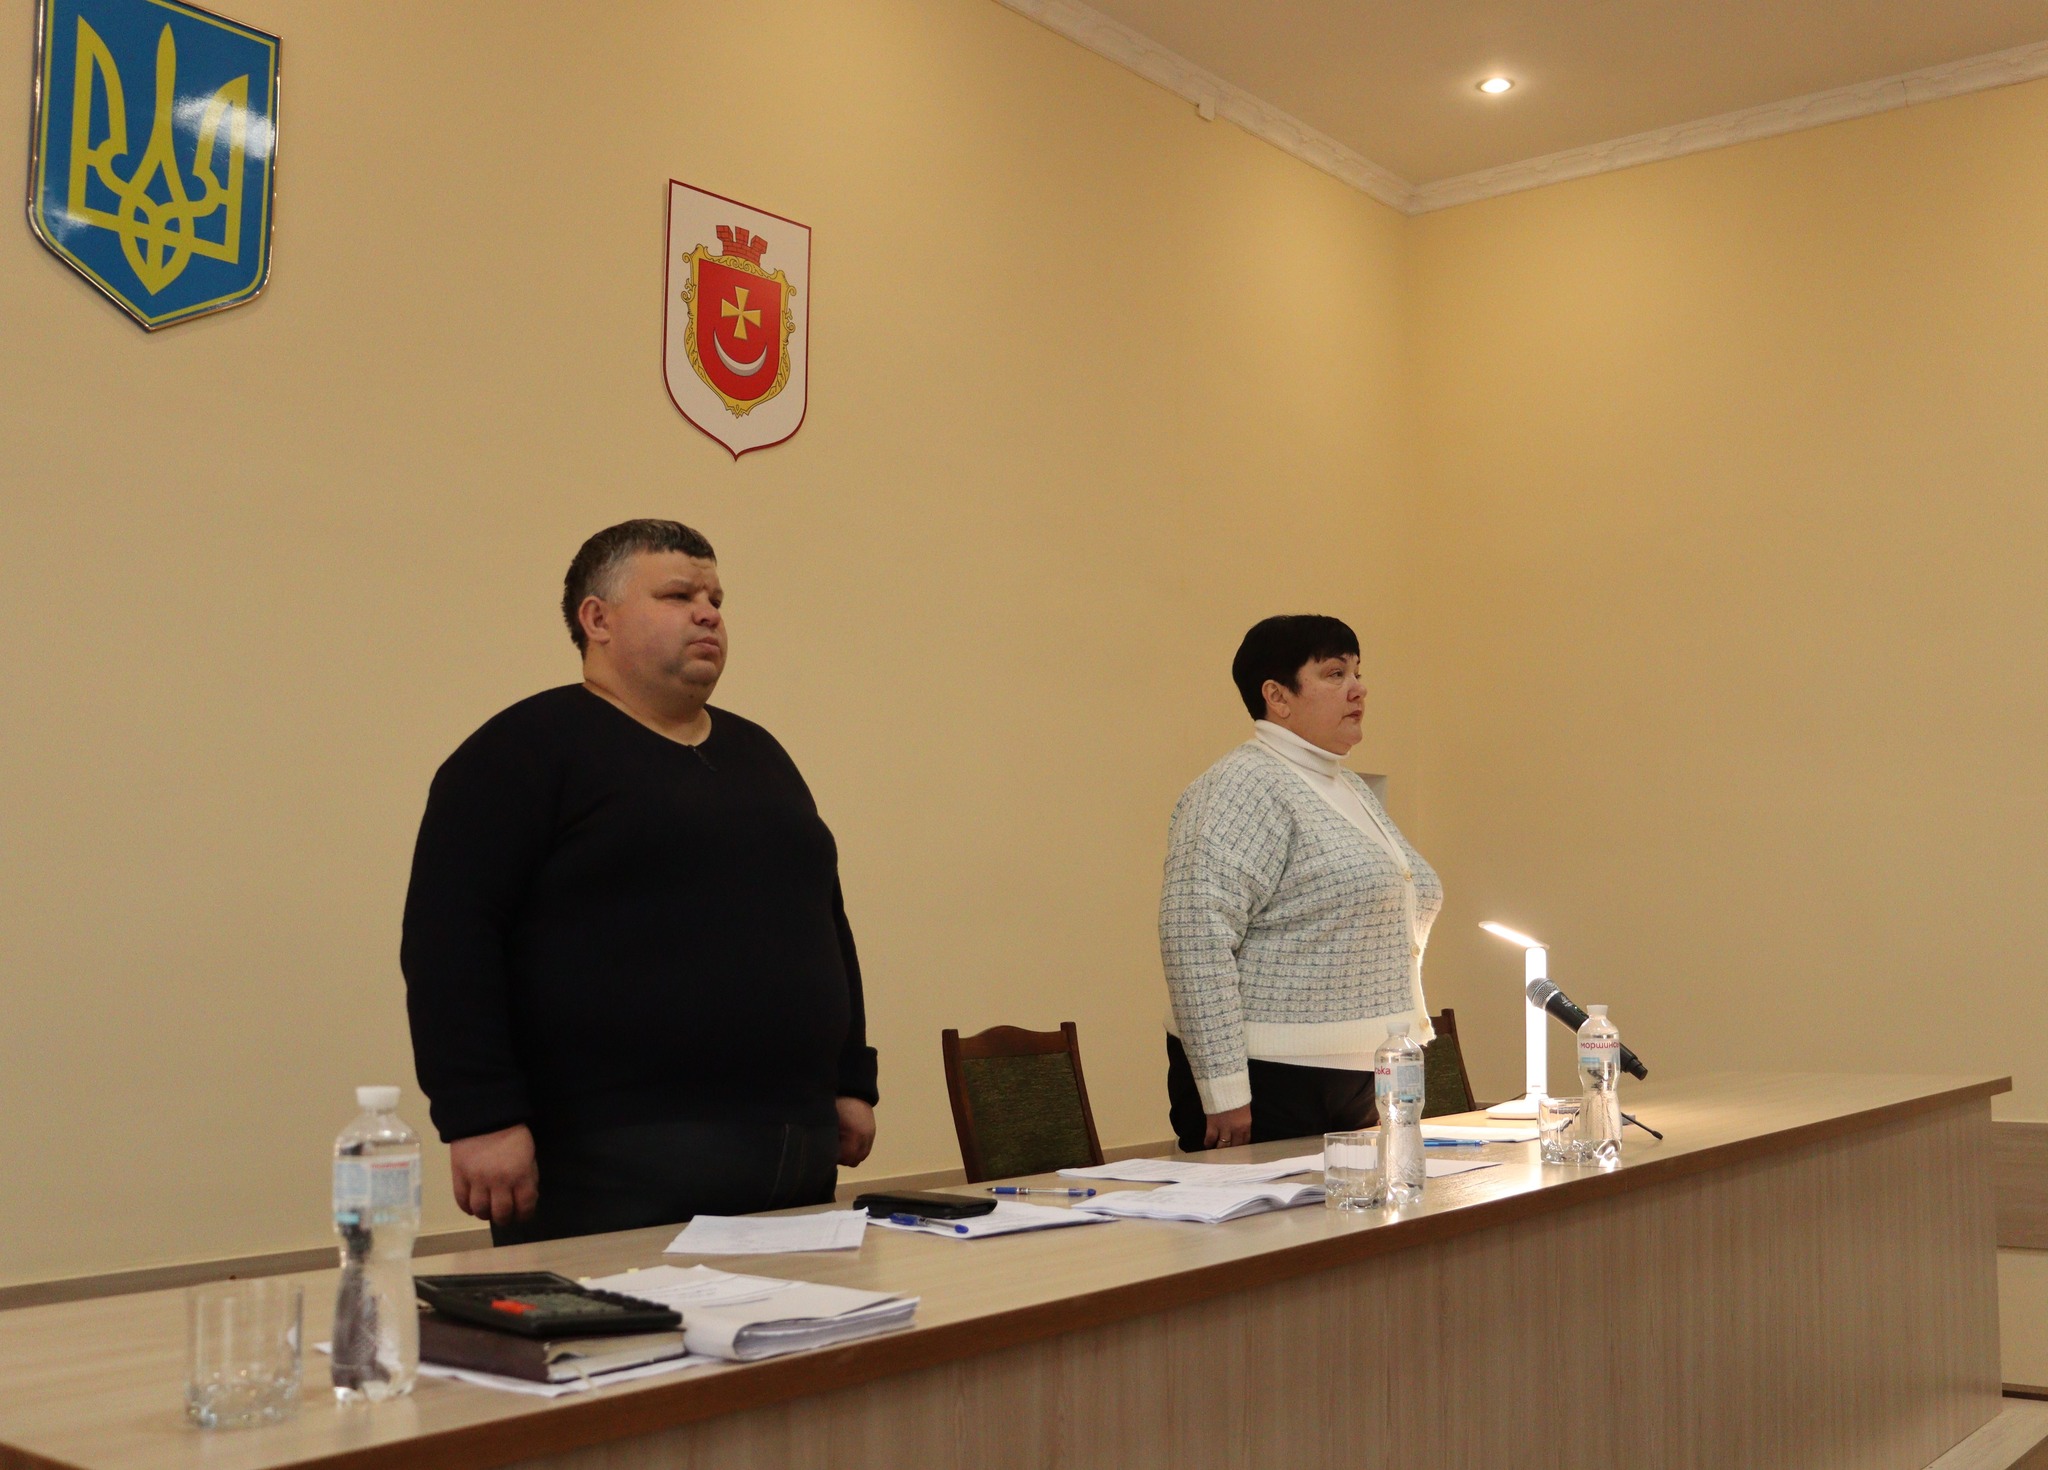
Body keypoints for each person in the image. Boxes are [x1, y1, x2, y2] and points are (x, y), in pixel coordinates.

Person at [400, 519, 878, 1243]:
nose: (708, 613)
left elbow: (823, 921)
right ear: (598, 619)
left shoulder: (761, 754)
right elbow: (451, 939)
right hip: (608, 1156)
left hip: (793, 1146)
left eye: (716, 599)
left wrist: (849, 1080)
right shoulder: (520, 751)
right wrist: (481, 1116)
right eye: (679, 595)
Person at [1159, 615, 1441, 1153]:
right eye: (1335, 674)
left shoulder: (1347, 786)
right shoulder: (1243, 783)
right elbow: (1194, 937)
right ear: (1277, 696)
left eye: (1357, 672)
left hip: (1362, 1080)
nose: (1358, 689)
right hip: (1270, 1081)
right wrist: (1223, 1090)